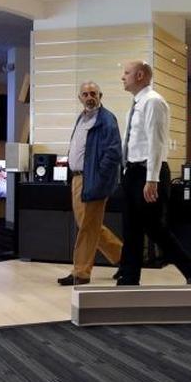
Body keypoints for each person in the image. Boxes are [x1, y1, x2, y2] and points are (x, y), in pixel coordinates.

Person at [118, 60, 191, 286]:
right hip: (133, 172)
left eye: (126, 72)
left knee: (154, 228)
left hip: (149, 173)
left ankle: (189, 266)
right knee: (130, 229)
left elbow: (157, 143)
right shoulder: (136, 104)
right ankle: (129, 278)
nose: (122, 77)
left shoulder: (153, 102)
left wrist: (151, 179)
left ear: (140, 75)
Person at [57, 81, 124, 286]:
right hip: (77, 179)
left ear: (100, 95)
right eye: (85, 94)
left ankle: (81, 272)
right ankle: (125, 258)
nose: (89, 97)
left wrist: (101, 178)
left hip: (93, 179)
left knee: (87, 226)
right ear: (80, 98)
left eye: (93, 93)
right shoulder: (81, 118)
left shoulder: (106, 120)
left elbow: (113, 153)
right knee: (89, 225)